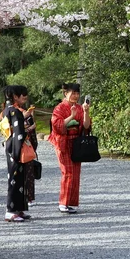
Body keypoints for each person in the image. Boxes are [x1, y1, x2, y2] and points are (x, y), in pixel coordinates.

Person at [49, 83, 91, 214]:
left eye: (77, 93)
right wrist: (71, 117)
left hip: (76, 142)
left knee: (75, 173)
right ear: (65, 93)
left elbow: (86, 126)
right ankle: (63, 202)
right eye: (72, 93)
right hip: (63, 142)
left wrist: (86, 112)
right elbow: (57, 125)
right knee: (67, 172)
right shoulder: (59, 108)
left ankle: (70, 202)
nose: (75, 96)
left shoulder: (80, 107)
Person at [0, 85, 32, 222]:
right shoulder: (15, 112)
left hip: (10, 145)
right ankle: (10, 210)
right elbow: (19, 133)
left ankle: (18, 209)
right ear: (15, 96)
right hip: (15, 148)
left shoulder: (7, 110)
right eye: (21, 95)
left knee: (18, 180)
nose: (24, 98)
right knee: (14, 180)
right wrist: (18, 152)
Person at [18, 103, 38, 206]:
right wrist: (30, 128)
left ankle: (29, 197)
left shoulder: (26, 114)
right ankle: (24, 198)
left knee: (29, 173)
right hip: (19, 147)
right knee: (22, 174)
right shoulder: (13, 113)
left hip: (27, 147)